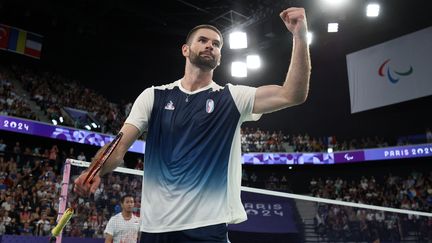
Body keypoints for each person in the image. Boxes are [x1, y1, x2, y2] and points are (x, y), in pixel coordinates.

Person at [74, 7, 311, 243]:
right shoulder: (154, 96)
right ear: (185, 50)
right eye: (203, 40)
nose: (211, 46)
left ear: (219, 58)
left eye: (216, 44)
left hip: (206, 228)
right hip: (155, 228)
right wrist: (95, 170)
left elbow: (293, 94)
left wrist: (299, 36)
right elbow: (120, 145)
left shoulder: (232, 98)